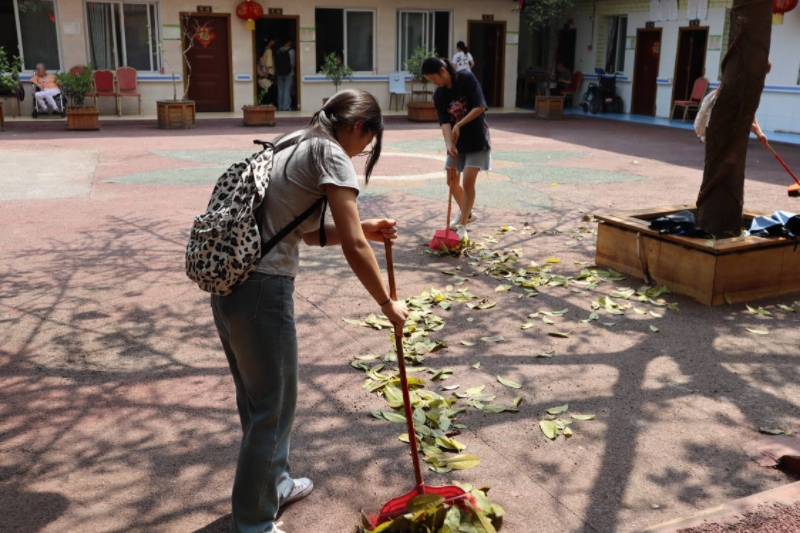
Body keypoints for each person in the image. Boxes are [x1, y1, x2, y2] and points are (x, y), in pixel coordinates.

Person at [210, 88, 409, 533]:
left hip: (230, 290)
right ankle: (255, 524)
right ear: (359, 127)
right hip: (263, 292)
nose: (363, 153)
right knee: (273, 410)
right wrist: (386, 302)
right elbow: (353, 245)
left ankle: (275, 484)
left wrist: (368, 228)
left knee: (261, 403)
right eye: (369, 144)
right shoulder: (330, 152)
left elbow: (308, 234)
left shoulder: (291, 142)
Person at [422, 57, 491, 242]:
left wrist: (459, 124)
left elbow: (480, 106)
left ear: (443, 72)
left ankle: (463, 226)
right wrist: (448, 144)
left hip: (476, 139)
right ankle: (467, 214)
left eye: (434, 79)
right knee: (452, 182)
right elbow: (444, 122)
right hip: (456, 142)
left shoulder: (467, 79)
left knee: (468, 182)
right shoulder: (439, 95)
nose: (434, 83)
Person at [694, 60, 771, 146]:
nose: (761, 79)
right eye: (760, 74)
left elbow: (749, 112)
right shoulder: (734, 84)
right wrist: (754, 129)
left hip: (734, 136)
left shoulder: (751, 88)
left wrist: (760, 133)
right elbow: (732, 116)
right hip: (719, 132)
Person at [275, 38, 295, 111]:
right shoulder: (291, 51)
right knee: (287, 89)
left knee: (280, 89)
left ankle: (280, 106)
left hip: (279, 72)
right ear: (288, 42)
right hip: (289, 73)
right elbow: (292, 63)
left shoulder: (278, 51)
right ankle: (286, 107)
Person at [257, 37, 277, 105]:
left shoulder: (264, 49)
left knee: (264, 88)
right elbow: (269, 63)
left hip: (262, 72)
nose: (274, 43)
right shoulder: (269, 51)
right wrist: (267, 72)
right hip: (269, 72)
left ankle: (263, 103)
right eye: (274, 41)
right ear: (271, 41)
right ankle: (268, 104)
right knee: (269, 89)